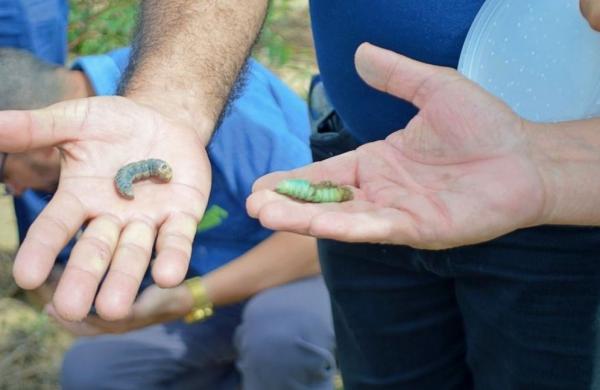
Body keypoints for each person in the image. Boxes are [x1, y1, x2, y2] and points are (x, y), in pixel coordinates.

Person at [3, 1, 600, 389]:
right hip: (367, 169)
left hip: (558, 196)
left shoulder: (250, 134)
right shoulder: (72, 166)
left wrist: (188, 299)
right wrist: (168, 102)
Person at [0, 47, 336, 389]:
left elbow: (317, 230)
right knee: (90, 370)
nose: (12, 189)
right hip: (203, 290)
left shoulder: (217, 93)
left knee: (278, 336)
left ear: (38, 140)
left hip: (305, 268)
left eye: (1, 176)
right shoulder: (76, 168)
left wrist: (186, 299)